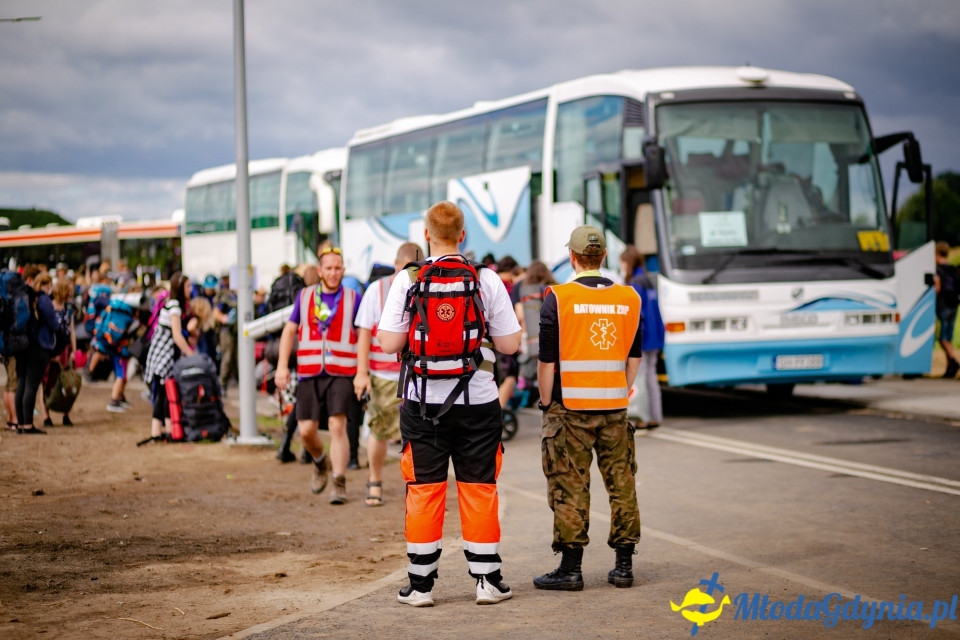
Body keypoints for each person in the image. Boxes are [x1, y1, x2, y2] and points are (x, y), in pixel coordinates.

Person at [377, 201, 521, 607]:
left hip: (423, 404)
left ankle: (421, 586)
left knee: (424, 490)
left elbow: (389, 342)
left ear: (426, 237)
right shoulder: (486, 279)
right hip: (478, 401)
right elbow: (510, 345)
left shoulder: (408, 280)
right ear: (462, 236)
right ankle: (487, 580)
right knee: (478, 488)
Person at [534, 225, 643, 592]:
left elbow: (546, 361)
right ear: (605, 257)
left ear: (573, 257)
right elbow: (634, 356)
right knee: (622, 483)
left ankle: (570, 569)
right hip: (614, 407)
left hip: (570, 409)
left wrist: (546, 402)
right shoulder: (630, 298)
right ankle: (624, 566)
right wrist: (620, 390)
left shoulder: (558, 298)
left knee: (570, 484)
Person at [275, 247, 360, 504]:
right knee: (306, 430)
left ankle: (339, 481)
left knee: (337, 425)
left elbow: (364, 334)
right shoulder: (305, 296)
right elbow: (289, 331)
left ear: (343, 270)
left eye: (338, 268)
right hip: (310, 372)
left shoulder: (354, 298)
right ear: (319, 271)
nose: (334, 273)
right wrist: (281, 366)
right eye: (329, 268)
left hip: (342, 371)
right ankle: (320, 461)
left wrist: (363, 371)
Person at [353, 241, 422, 507]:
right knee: (379, 430)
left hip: (416, 374)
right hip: (384, 375)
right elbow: (364, 332)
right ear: (395, 265)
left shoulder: (425, 285)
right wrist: (362, 373)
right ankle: (375, 480)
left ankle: (417, 486)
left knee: (416, 434)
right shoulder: (377, 290)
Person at [143, 273, 195, 438]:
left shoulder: (172, 303)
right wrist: (191, 355)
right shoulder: (175, 307)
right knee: (163, 393)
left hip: (162, 354)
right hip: (163, 355)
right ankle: (157, 431)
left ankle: (167, 429)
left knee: (166, 392)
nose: (191, 289)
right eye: (188, 286)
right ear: (180, 288)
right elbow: (177, 335)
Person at [620, 245, 665, 429]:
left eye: (622, 263)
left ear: (628, 262)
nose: (622, 267)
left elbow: (636, 314)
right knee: (651, 378)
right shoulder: (647, 280)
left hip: (643, 338)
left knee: (640, 377)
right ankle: (655, 416)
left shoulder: (635, 284)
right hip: (655, 337)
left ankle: (643, 417)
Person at [16, 269, 59, 434]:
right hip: (38, 346)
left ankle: (20, 424)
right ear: (46, 284)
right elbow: (54, 323)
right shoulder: (43, 299)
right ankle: (28, 425)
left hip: (22, 345)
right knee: (31, 385)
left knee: (22, 383)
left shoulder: (27, 297)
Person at [511, 260, 555, 407]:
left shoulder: (521, 287)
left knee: (529, 368)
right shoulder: (554, 287)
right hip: (552, 336)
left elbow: (520, 315)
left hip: (530, 336)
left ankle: (529, 393)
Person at [41, 278, 79, 426]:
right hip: (50, 348)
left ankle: (66, 414)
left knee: (67, 381)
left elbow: (72, 331)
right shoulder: (48, 306)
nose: (71, 293)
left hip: (65, 349)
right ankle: (46, 416)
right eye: (69, 290)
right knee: (47, 381)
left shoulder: (69, 308)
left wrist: (73, 350)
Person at [934, 241, 959, 378]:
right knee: (948, 337)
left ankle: (954, 361)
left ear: (937, 254)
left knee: (943, 338)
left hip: (943, 306)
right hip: (954, 306)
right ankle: (950, 368)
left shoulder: (938, 269)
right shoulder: (952, 268)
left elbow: (937, 288)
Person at [214, 272, 238, 392]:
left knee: (237, 358)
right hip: (227, 331)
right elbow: (216, 313)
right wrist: (226, 319)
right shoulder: (225, 296)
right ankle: (222, 384)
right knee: (227, 358)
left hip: (237, 332)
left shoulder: (237, 295)